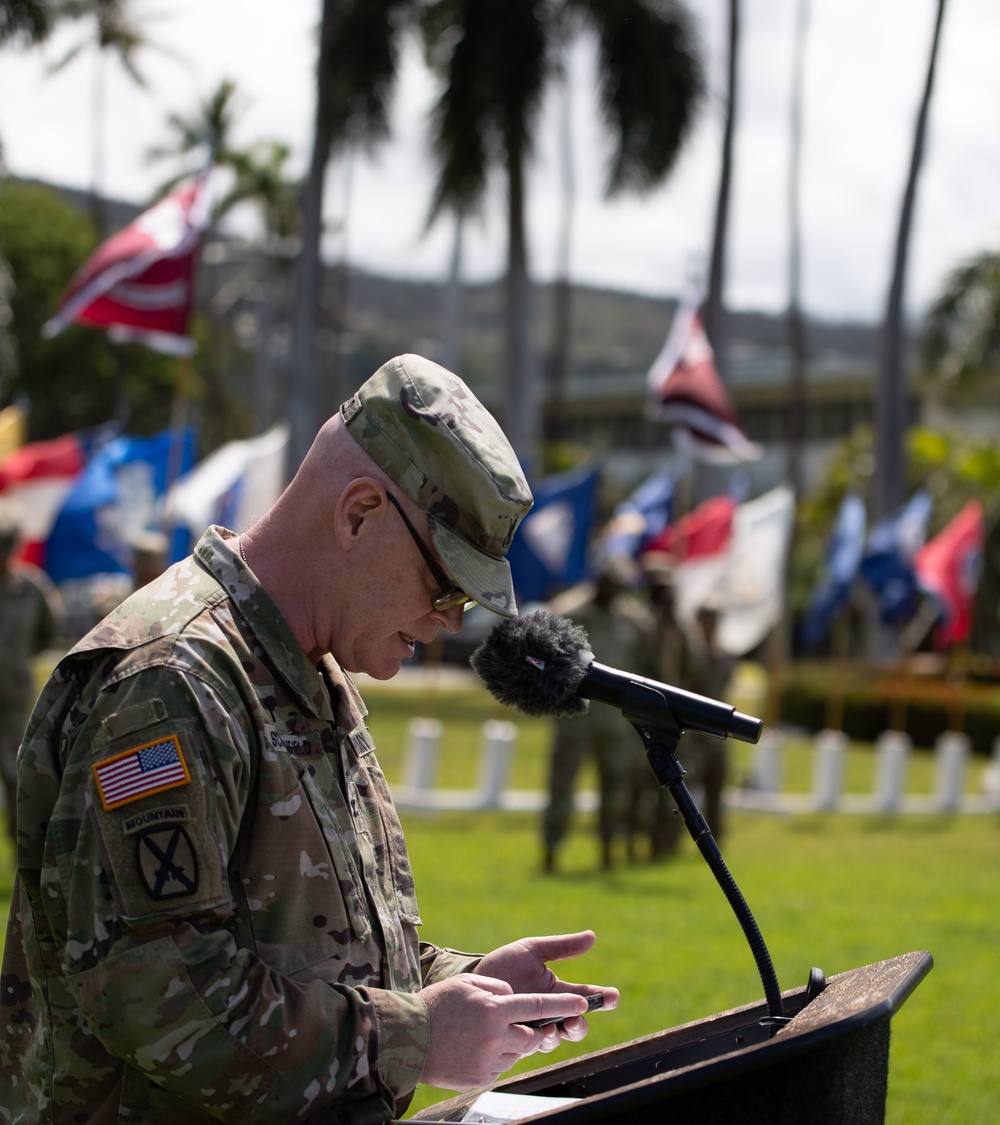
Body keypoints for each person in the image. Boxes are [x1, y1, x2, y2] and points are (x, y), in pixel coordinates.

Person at [0, 355, 619, 1123]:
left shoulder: (312, 673)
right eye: (444, 583)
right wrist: (417, 1038)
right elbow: (164, 998)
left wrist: (468, 988)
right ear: (358, 513)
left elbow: (312, 951)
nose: (452, 619)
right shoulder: (170, 683)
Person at [541, 555, 652, 873]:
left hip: (613, 721)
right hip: (575, 719)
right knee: (562, 787)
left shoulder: (632, 619)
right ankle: (551, 853)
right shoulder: (571, 612)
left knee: (616, 789)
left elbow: (642, 662)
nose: (614, 591)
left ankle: (609, 853)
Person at [0, 505, 63, 843]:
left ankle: (20, 848)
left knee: (16, 778)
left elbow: (47, 633)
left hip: (12, 699)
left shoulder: (31, 589)